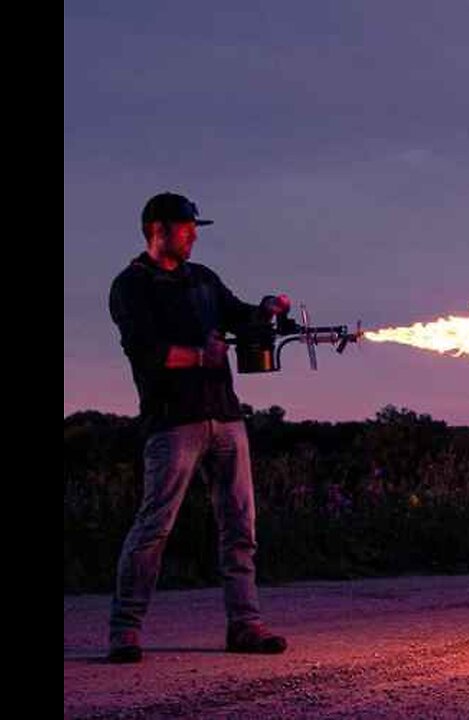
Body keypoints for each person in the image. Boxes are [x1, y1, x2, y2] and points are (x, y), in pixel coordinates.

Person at [105, 192, 291, 663]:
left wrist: (265, 311)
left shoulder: (204, 279)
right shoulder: (130, 286)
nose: (193, 235)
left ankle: (245, 625)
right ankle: (125, 630)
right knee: (154, 527)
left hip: (226, 418)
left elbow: (238, 313)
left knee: (240, 526)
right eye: (187, 227)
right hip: (172, 423)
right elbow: (145, 352)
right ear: (159, 229)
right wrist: (197, 356)